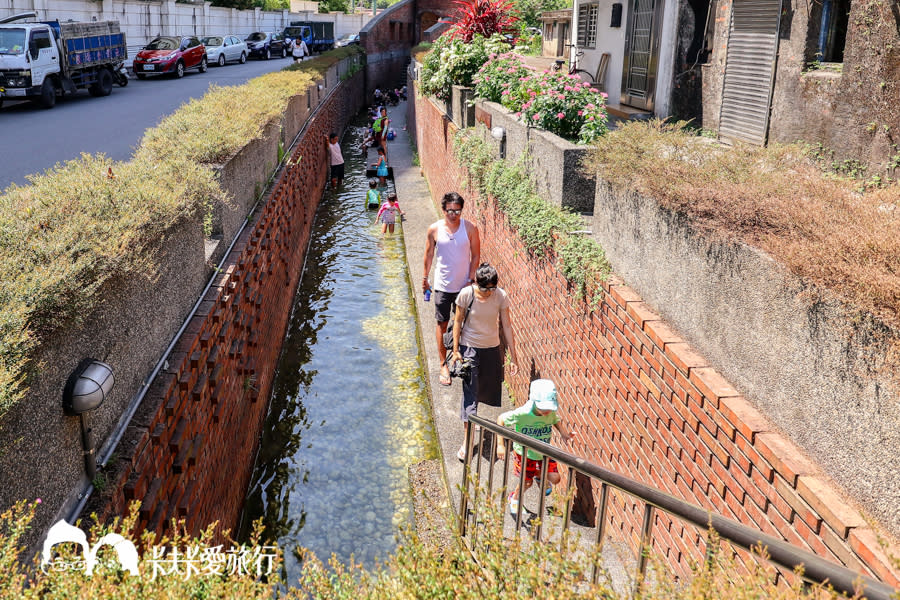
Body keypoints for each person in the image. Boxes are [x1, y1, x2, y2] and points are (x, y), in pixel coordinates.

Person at [451, 262, 519, 461]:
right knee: (470, 394)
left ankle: (473, 417)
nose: (488, 292)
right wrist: (456, 351)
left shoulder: (500, 296)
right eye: (484, 288)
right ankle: (467, 439)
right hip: (470, 348)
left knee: (484, 389)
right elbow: (457, 321)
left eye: (492, 288)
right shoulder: (465, 294)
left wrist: (513, 357)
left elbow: (506, 325)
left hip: (491, 349)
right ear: (476, 283)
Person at [423, 192, 481, 386]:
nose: (453, 215)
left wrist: (471, 279)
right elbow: (429, 255)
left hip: (463, 285)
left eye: (457, 211)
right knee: (442, 323)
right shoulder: (434, 229)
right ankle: (443, 364)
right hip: (442, 285)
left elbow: (475, 256)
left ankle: (459, 356)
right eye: (450, 211)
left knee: (462, 323)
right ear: (443, 210)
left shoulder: (470, 228)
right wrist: (425, 278)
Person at [496, 379, 575, 517]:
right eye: (543, 408)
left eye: (549, 408)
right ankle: (514, 499)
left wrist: (564, 433)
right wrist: (500, 445)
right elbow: (501, 419)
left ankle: (539, 476)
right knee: (526, 483)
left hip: (544, 451)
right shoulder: (523, 413)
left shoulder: (550, 413)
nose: (547, 411)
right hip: (524, 454)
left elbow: (555, 420)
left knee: (555, 478)